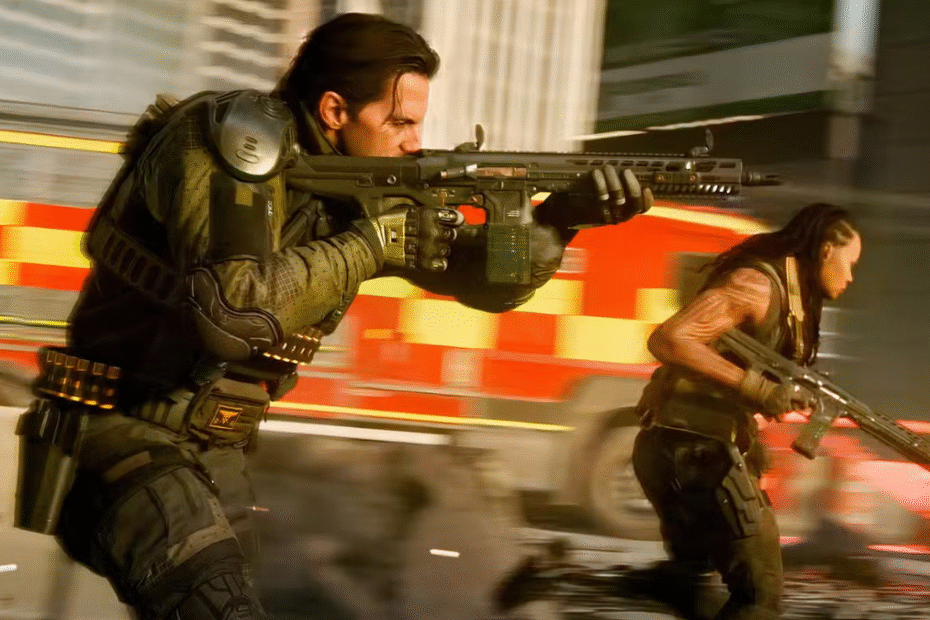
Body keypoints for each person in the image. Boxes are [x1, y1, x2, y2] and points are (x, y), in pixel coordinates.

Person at [14, 12, 652, 620]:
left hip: (216, 449)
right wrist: (374, 244)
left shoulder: (363, 180)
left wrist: (557, 221)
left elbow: (487, 285)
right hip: (119, 432)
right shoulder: (230, 141)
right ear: (334, 111)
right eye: (399, 122)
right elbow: (234, 311)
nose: (414, 141)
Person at [630, 203, 861, 620]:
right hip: (693, 450)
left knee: (695, 588)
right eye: (851, 263)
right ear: (827, 250)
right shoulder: (756, 285)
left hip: (689, 447)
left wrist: (772, 403)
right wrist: (758, 388)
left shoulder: (792, 298)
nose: (851, 277)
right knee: (760, 597)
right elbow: (670, 339)